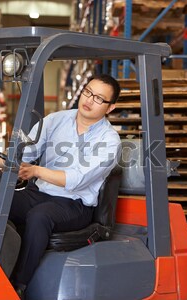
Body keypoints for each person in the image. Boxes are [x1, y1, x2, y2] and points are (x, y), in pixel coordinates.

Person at [9, 74, 122, 297]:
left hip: (74, 204)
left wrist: (36, 171)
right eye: (88, 92)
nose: (89, 100)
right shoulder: (55, 120)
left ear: (110, 108)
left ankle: (18, 285)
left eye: (99, 98)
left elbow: (76, 179)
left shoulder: (110, 141)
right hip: (40, 192)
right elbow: (24, 154)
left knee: (40, 216)